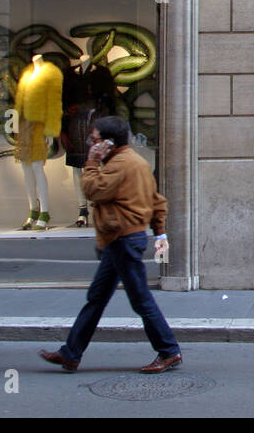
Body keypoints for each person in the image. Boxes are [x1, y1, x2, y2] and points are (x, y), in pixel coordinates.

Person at [38, 117, 182, 373]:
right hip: (121, 239)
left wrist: (91, 161)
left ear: (108, 143)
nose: (89, 144)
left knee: (140, 299)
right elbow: (157, 201)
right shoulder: (135, 162)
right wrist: (159, 232)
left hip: (123, 239)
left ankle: (169, 351)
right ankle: (71, 353)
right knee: (97, 297)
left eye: (93, 140)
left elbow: (92, 190)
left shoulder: (120, 165)